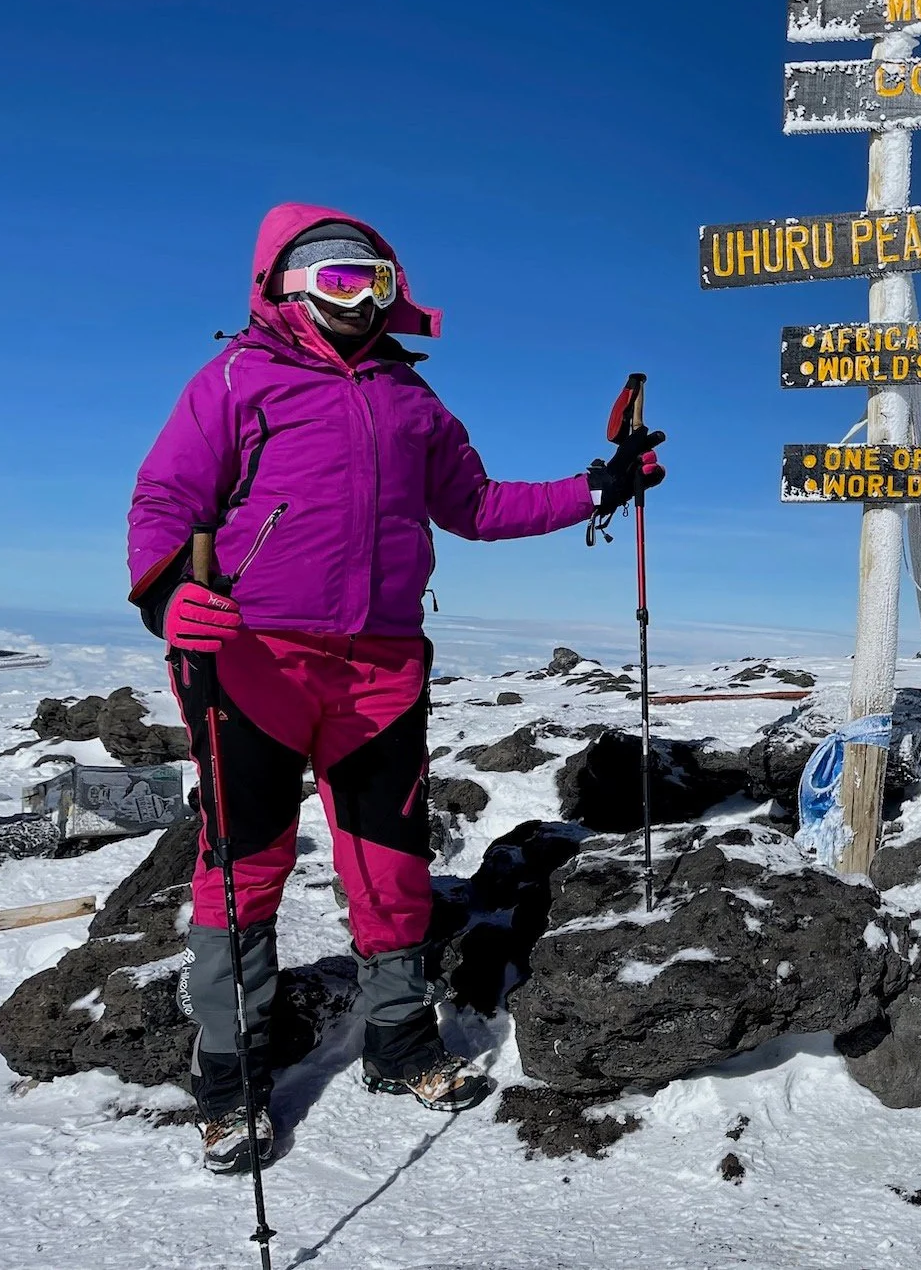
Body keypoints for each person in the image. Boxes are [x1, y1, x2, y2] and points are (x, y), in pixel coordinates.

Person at [127, 203, 664, 1173]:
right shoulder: (237, 379)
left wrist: (597, 487)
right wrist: (168, 595)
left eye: (375, 283)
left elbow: (479, 505)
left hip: (378, 672)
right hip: (249, 662)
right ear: (283, 288)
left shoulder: (411, 403)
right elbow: (168, 499)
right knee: (245, 870)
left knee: (391, 871)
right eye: (337, 282)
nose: (361, 301)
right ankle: (230, 1085)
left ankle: (399, 1044)